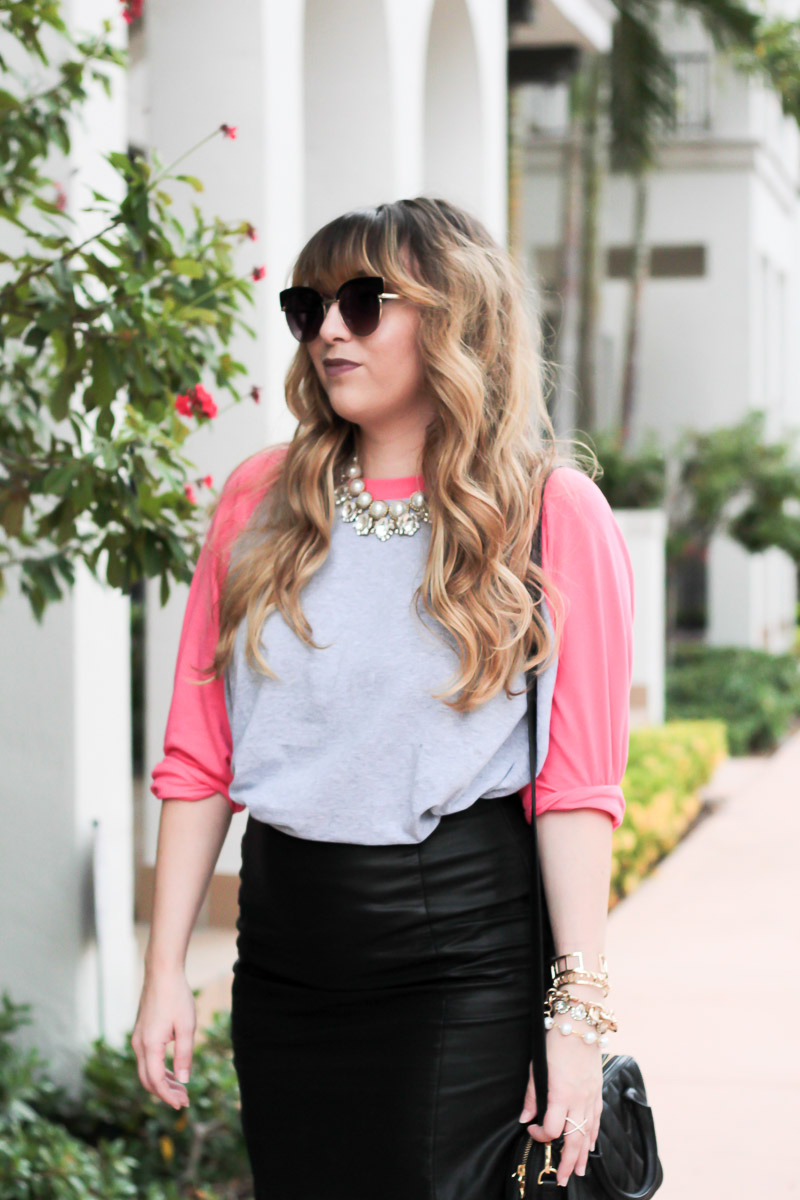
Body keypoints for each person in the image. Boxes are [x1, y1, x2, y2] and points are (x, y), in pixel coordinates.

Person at [132, 196, 634, 1200]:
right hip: (284, 955)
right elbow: (200, 757)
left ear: (453, 320)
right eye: (308, 305)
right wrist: (162, 975)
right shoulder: (257, 501)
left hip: (456, 959)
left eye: (364, 301)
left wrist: (572, 1018)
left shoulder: (544, 512)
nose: (328, 329)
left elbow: (573, 788)